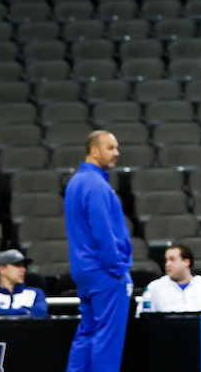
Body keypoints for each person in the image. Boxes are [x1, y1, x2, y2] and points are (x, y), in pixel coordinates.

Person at [64, 131, 134, 372]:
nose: (117, 153)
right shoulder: (96, 185)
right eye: (111, 148)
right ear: (94, 151)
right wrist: (119, 269)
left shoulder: (76, 181)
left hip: (84, 270)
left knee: (88, 331)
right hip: (105, 271)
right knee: (108, 341)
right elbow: (103, 233)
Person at [137, 244, 201, 315]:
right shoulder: (154, 287)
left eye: (172, 260)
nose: (167, 264)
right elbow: (143, 317)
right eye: (166, 260)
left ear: (186, 262)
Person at [0, 249, 48, 318]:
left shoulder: (36, 293)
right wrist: (24, 311)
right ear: (2, 269)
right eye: (17, 265)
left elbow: (40, 312)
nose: (23, 270)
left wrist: (0, 313)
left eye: (23, 266)